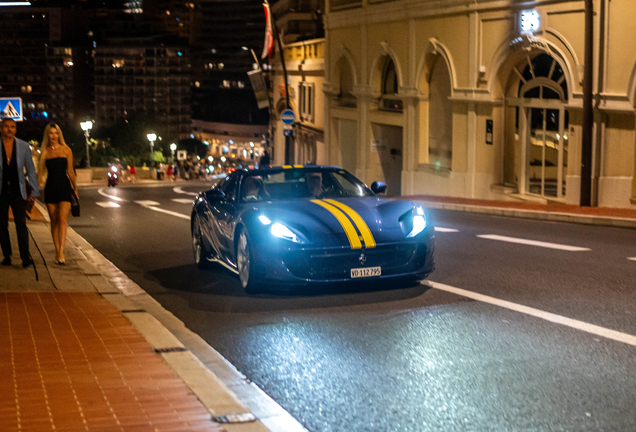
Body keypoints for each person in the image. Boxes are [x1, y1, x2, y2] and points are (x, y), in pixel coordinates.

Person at [0, 118, 40, 267]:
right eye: (6, 127)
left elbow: (30, 170)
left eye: (12, 127)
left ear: (15, 129)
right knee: (1, 225)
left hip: (18, 191)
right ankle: (7, 256)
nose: (9, 129)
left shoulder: (23, 146)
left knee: (21, 224)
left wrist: (34, 191)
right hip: (1, 191)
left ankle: (25, 256)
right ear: (1, 128)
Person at [37, 122, 77, 265]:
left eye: (55, 133)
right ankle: (56, 250)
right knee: (53, 221)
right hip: (51, 187)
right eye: (50, 133)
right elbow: (40, 173)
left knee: (62, 219)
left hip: (64, 186)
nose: (53, 136)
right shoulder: (45, 152)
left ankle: (61, 251)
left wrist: (75, 188)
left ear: (59, 135)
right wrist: (34, 190)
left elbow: (71, 171)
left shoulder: (66, 150)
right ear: (47, 135)